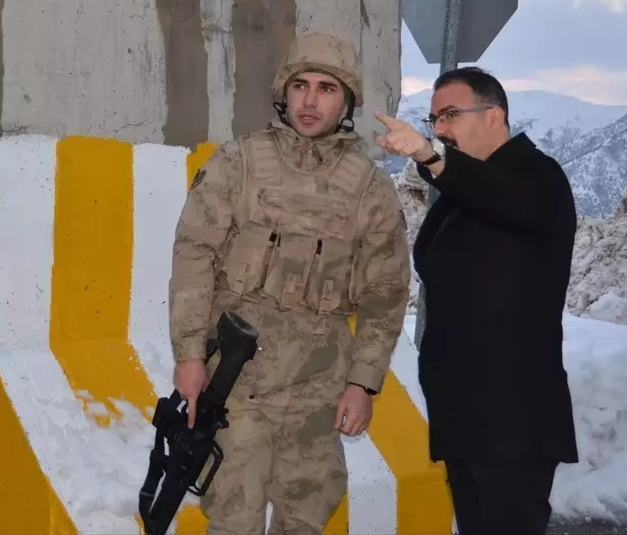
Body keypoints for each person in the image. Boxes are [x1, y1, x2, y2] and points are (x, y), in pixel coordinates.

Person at [167, 31, 412, 535]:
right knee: (233, 520)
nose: (310, 100)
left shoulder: (369, 187)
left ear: (346, 101)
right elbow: (194, 256)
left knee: (304, 523)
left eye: (326, 88)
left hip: (317, 393)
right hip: (236, 386)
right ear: (284, 91)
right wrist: (189, 356)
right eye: (300, 85)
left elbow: (385, 295)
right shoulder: (239, 163)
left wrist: (362, 383)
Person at [373, 66, 579, 535]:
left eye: (450, 115)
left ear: (494, 116)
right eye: (433, 120)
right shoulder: (462, 189)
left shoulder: (537, 177)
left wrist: (433, 156)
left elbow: (502, 199)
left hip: (513, 416)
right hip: (464, 411)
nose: (440, 129)